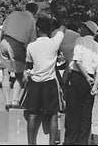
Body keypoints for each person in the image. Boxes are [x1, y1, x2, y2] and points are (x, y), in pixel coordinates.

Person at [23, 16, 66, 145]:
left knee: (32, 114)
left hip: (35, 82)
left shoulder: (31, 46)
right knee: (53, 114)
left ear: (37, 29)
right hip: (50, 82)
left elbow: (29, 64)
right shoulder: (54, 42)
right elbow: (63, 27)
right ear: (50, 29)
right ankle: (51, 143)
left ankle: (31, 143)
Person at [64, 20, 98, 145]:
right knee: (86, 115)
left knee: (73, 112)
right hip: (92, 80)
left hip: (78, 77)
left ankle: (71, 141)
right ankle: (82, 142)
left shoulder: (80, 41)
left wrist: (86, 76)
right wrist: (95, 85)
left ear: (87, 30)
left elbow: (77, 60)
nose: (80, 29)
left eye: (82, 27)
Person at [0, 3, 38, 111]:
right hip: (17, 45)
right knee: (19, 74)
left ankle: (7, 101)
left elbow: (2, 29)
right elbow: (32, 41)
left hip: (4, 42)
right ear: (35, 12)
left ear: (25, 8)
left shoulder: (13, 14)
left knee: (5, 73)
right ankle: (15, 101)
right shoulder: (32, 21)